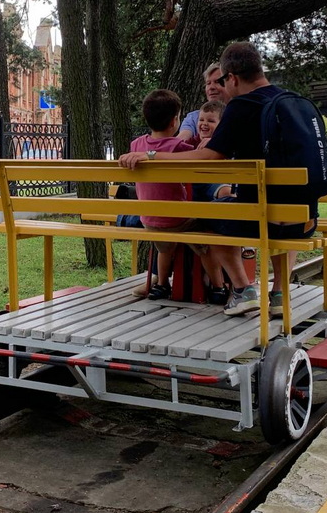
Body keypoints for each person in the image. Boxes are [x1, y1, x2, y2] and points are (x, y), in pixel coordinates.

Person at [119, 42, 316, 316]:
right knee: (278, 212)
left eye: (223, 80)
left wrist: (151, 156)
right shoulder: (292, 101)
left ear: (232, 78)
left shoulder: (242, 106)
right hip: (304, 219)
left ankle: (242, 289)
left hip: (258, 219)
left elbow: (210, 157)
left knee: (210, 216)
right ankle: (279, 294)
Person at [129, 89, 225, 301]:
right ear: (175, 122)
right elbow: (203, 156)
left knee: (165, 248)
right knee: (206, 238)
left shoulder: (136, 146)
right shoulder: (179, 147)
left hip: (149, 219)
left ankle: (162, 285)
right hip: (177, 219)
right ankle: (218, 287)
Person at [176, 63, 228, 142]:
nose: (211, 87)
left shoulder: (243, 114)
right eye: (208, 83)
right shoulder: (193, 118)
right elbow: (181, 140)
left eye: (217, 82)